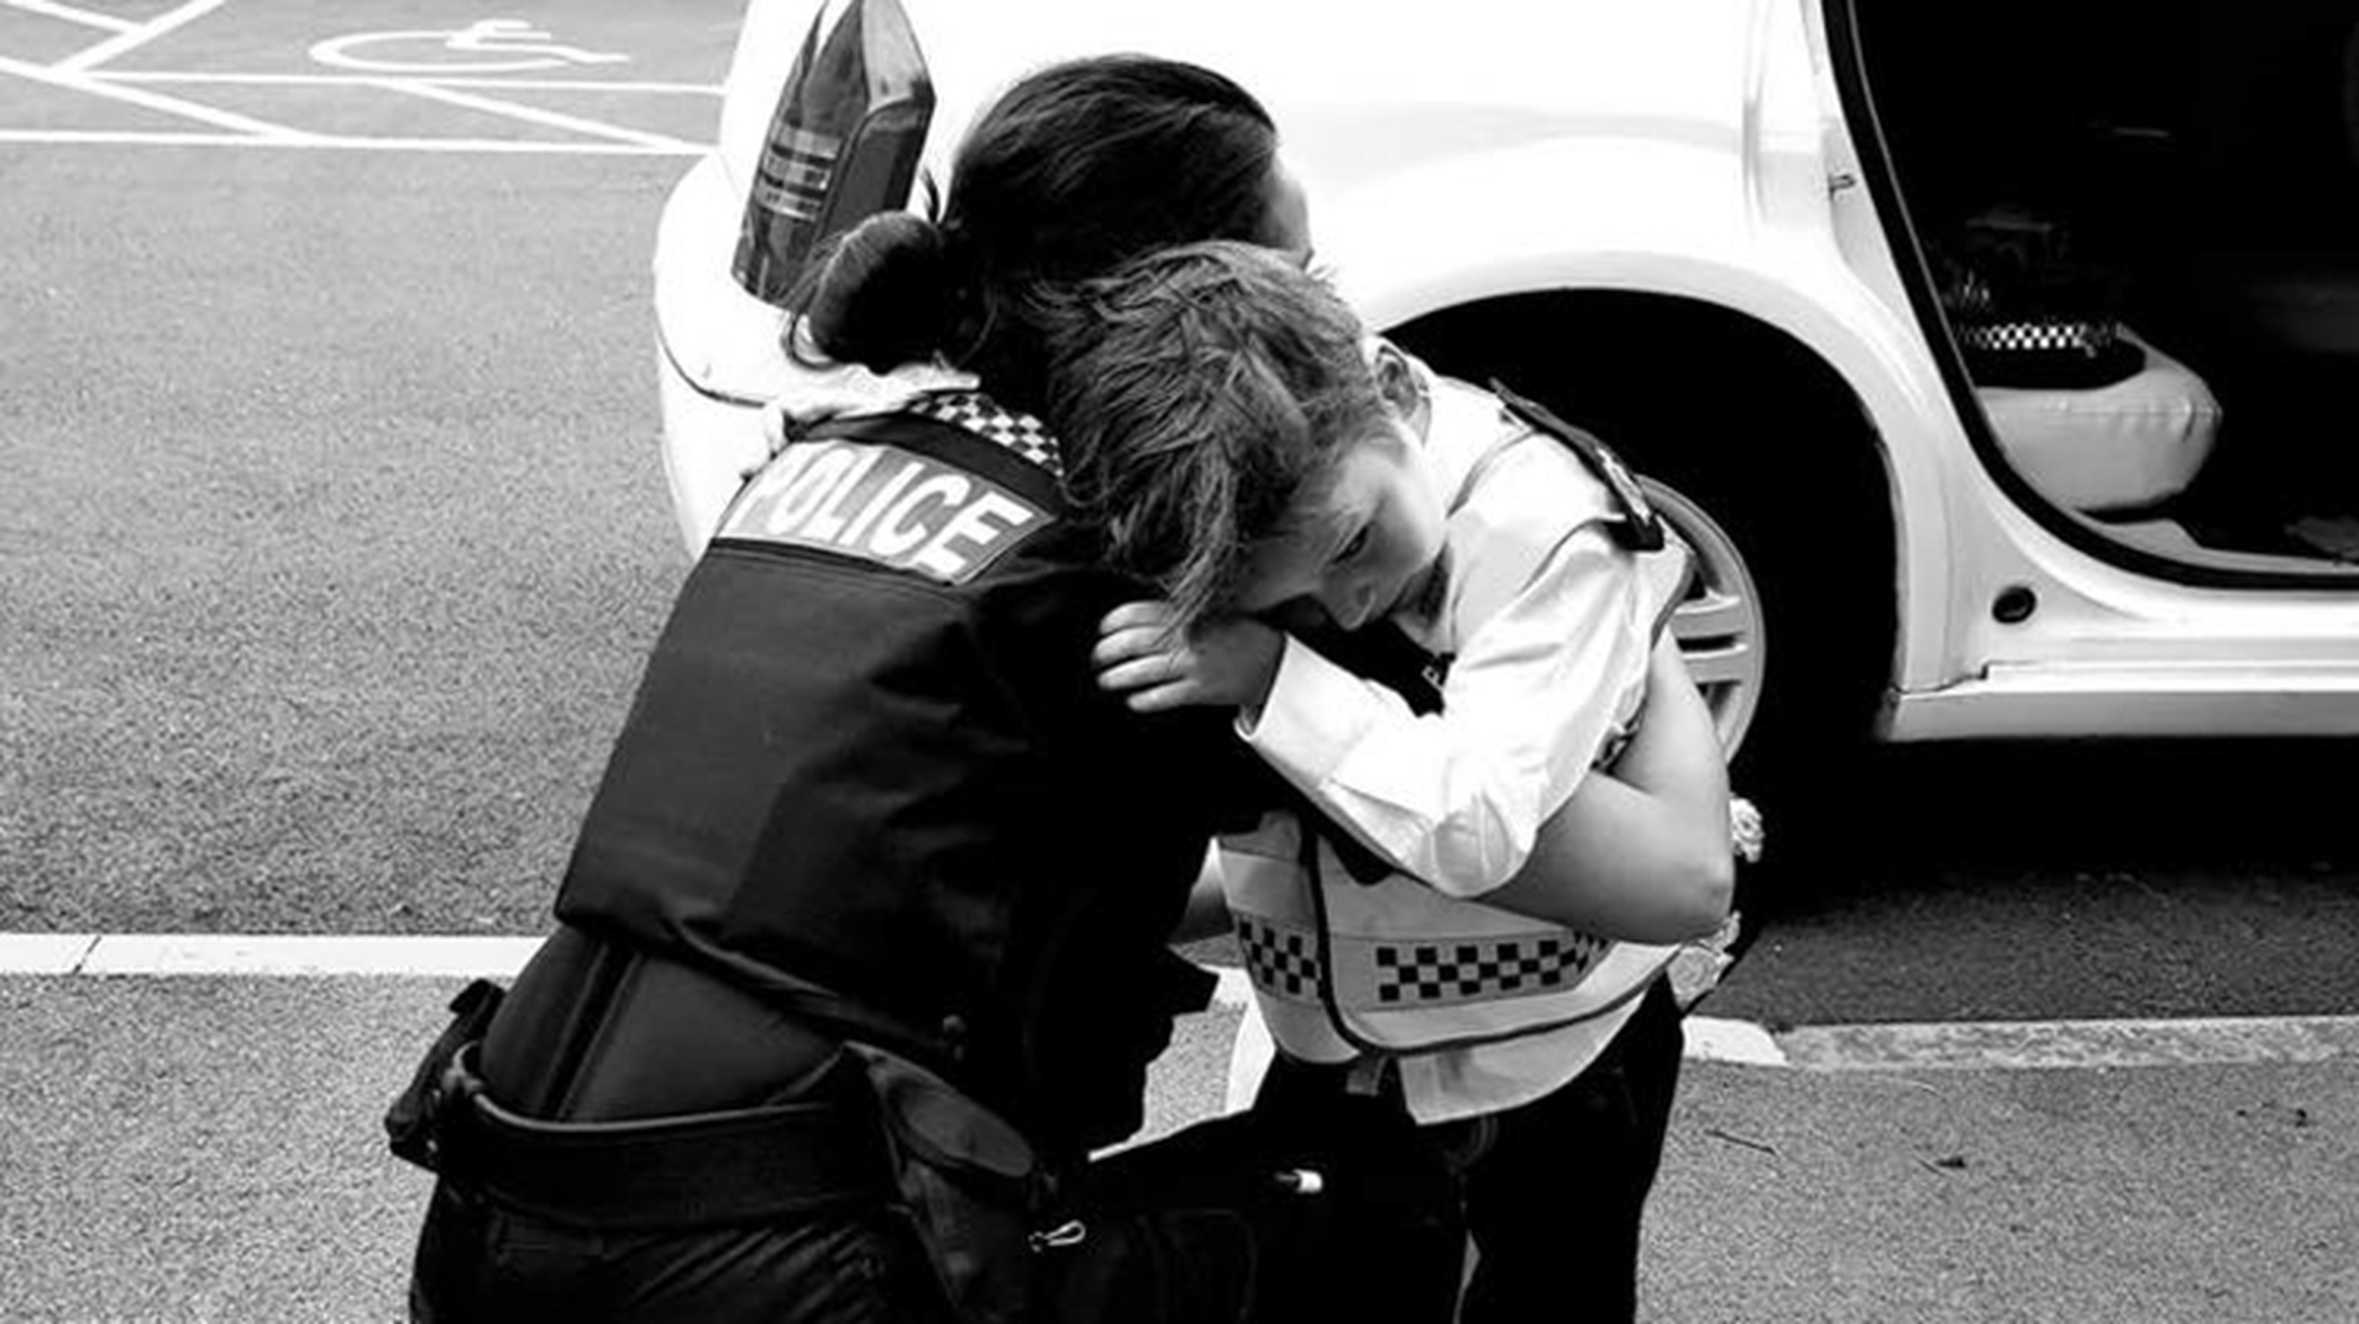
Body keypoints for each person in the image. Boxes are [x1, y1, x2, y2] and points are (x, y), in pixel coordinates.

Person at [388, 57, 1463, 1324]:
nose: (1329, 316)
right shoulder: (1152, 548)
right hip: (784, 1263)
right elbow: (1453, 808)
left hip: (497, 1207)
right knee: (1371, 1204)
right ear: (1198, 299)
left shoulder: (829, 454)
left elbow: (941, 871)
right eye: (1300, 275)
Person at [1050, 240, 1738, 1322]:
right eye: (1299, 601)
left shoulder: (1544, 533)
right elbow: (1306, 832)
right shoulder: (1284, 510)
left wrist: (1274, 670)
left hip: (1548, 1073)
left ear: (1394, 386)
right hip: (1343, 1070)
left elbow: (1476, 821)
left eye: (1354, 541)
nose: (1355, 599)